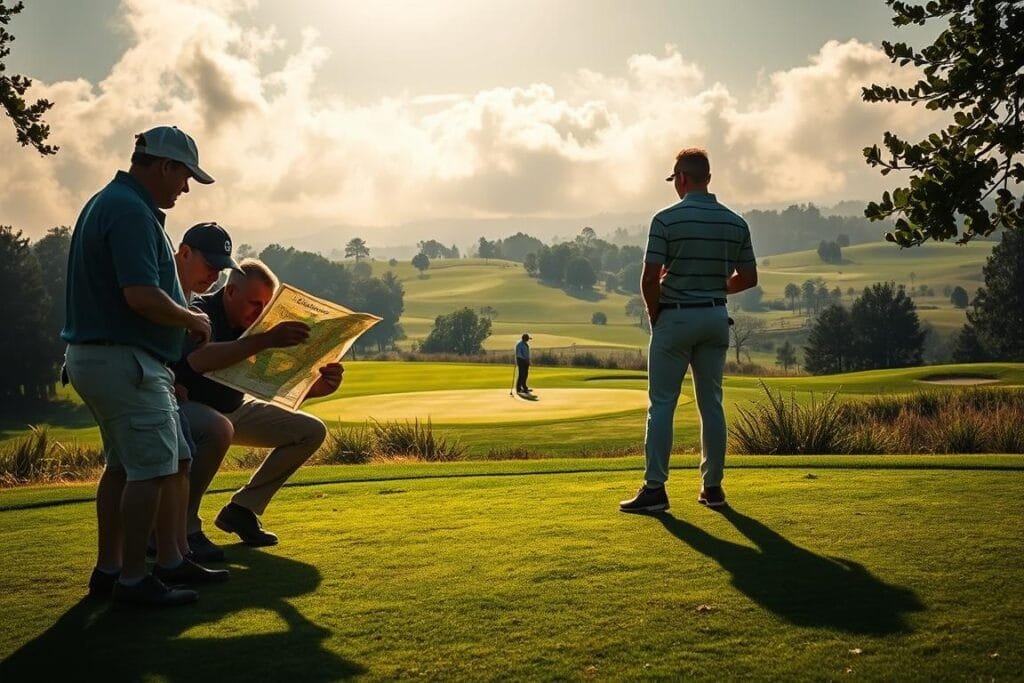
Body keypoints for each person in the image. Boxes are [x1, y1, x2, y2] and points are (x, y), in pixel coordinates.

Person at [62, 125, 217, 606]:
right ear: (165, 166)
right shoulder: (130, 211)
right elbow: (141, 296)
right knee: (149, 471)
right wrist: (191, 318)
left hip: (106, 358)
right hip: (123, 360)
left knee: (126, 468)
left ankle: (120, 568)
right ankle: (133, 578)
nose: (185, 187)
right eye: (184, 175)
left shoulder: (114, 202)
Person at [619, 148, 757, 514]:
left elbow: (649, 278)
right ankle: (712, 489)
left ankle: (655, 489)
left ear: (680, 178)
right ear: (707, 178)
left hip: (675, 318)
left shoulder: (665, 220)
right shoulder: (735, 222)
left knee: (662, 404)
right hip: (715, 318)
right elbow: (749, 277)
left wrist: (655, 313)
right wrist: (712, 287)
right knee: (711, 403)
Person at [173, 260, 343, 555]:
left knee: (310, 431)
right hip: (190, 412)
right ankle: (184, 528)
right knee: (218, 428)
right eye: (254, 303)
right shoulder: (200, 311)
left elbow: (267, 383)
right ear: (230, 292)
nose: (259, 313)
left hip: (235, 410)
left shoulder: (255, 328)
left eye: (265, 306)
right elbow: (198, 359)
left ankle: (242, 509)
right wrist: (266, 340)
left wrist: (316, 388)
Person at [167, 222, 244, 564]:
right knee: (210, 432)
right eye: (210, 266)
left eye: (220, 270)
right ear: (185, 253)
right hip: (148, 391)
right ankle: (174, 537)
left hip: (185, 399)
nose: (214, 276)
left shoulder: (188, 299)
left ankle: (173, 539)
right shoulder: (167, 293)